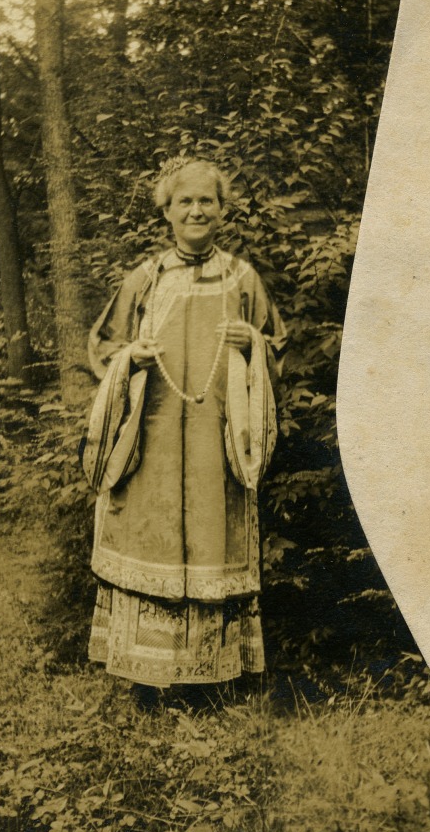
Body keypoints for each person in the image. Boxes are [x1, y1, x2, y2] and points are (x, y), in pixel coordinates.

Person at [81, 157, 286, 705]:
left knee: (213, 545)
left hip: (218, 445)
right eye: (185, 202)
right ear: (167, 212)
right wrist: (131, 357)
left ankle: (211, 679)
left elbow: (278, 345)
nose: (197, 211)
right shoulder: (147, 278)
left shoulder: (242, 279)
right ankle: (147, 678)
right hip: (152, 446)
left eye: (207, 201)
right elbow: (102, 347)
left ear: (222, 210)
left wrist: (254, 346)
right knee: (151, 543)